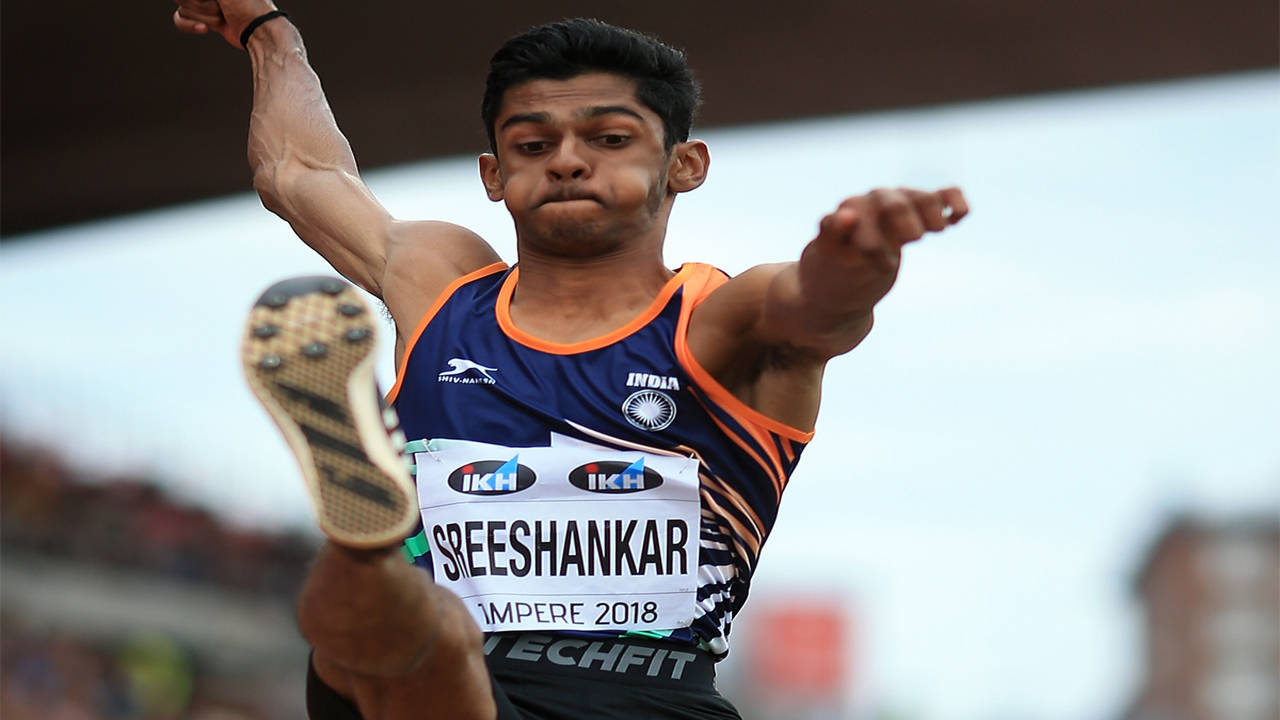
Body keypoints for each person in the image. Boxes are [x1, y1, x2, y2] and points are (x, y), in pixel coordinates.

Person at [174, 3, 969, 719]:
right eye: (532, 143)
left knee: (402, 625)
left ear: (683, 165)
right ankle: (366, 536)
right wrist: (265, 29)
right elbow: (299, 174)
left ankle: (370, 542)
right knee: (406, 627)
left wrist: (860, 255)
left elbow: (819, 305)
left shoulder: (720, 322)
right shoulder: (442, 289)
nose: (565, 160)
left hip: (647, 694)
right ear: (495, 175)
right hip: (440, 675)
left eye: (609, 138)